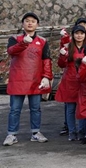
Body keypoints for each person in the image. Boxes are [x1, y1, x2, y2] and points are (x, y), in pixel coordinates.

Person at [4, 12, 52, 146]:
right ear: (22, 24)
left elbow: (46, 59)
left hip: (35, 79)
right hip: (18, 78)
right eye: (27, 21)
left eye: (33, 21)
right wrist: (24, 43)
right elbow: (11, 51)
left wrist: (46, 76)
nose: (30, 23)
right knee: (15, 109)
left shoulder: (42, 41)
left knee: (36, 108)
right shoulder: (14, 38)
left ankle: (36, 133)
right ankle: (11, 134)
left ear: (37, 24)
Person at [56, 24, 86, 141]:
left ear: (85, 35)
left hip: (83, 81)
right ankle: (72, 132)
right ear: (73, 35)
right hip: (70, 81)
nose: (79, 36)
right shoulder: (68, 47)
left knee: (81, 108)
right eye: (77, 33)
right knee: (70, 109)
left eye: (81, 33)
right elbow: (61, 65)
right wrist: (62, 56)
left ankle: (81, 131)